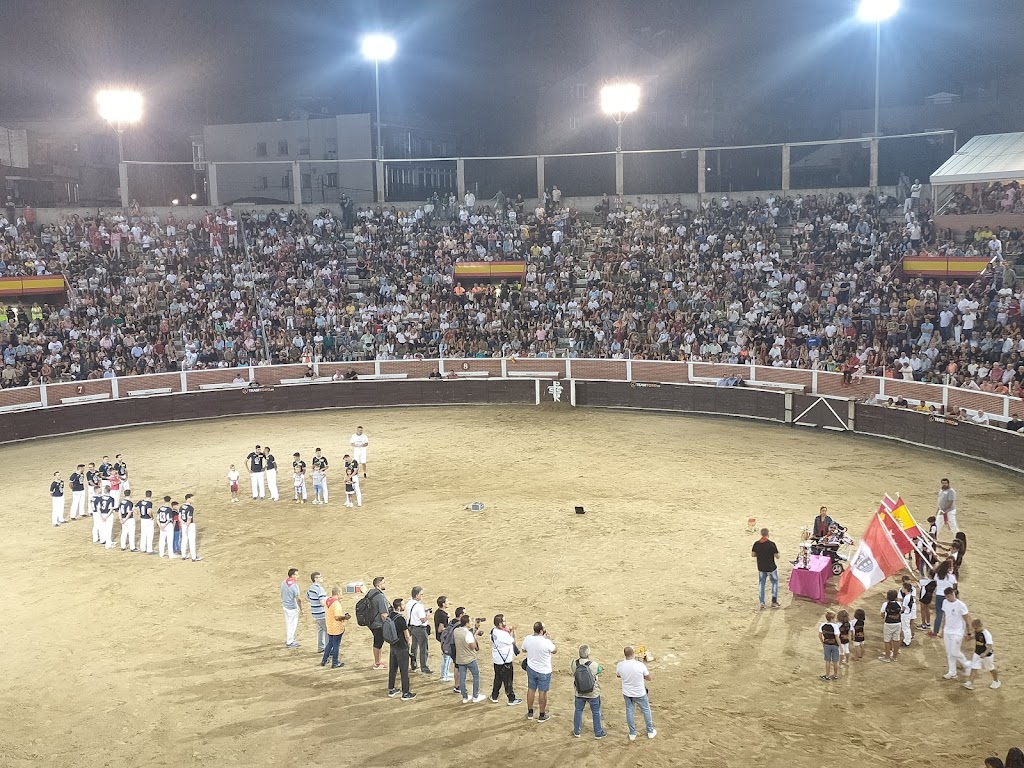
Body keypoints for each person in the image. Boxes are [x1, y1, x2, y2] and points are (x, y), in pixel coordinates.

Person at [616, 646, 655, 741]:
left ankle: (632, 733)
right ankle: (650, 731)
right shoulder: (640, 665)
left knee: (629, 711)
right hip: (639, 693)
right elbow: (649, 678)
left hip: (627, 692)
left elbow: (618, 675)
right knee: (646, 710)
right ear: (633, 654)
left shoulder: (620, 665)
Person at [521, 620, 557, 722]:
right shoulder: (546, 642)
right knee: (543, 692)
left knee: (531, 689)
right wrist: (549, 639)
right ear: (541, 631)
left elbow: (523, 650)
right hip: (544, 671)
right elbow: (554, 650)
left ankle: (530, 712)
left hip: (531, 668)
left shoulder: (528, 638)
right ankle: (542, 714)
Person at [571, 644, 606, 739]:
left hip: (579, 692)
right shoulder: (594, 664)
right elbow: (599, 670)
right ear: (588, 653)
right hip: (593, 693)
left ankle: (576, 731)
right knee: (596, 711)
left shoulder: (574, 663)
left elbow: (573, 671)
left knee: (578, 710)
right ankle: (598, 732)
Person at [386, 597, 416, 700]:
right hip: (402, 647)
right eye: (403, 605)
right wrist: (410, 642)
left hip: (393, 645)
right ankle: (405, 693)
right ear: (399, 607)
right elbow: (406, 635)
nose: (404, 606)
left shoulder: (390, 615)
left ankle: (391, 689)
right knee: (404, 671)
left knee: (392, 669)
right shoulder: (401, 619)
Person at [939, 587, 971, 680]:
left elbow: (967, 619)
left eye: (949, 596)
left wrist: (968, 632)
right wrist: (942, 629)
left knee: (954, 652)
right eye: (946, 597)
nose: (947, 599)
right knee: (949, 653)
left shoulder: (961, 605)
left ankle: (967, 664)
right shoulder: (945, 602)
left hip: (957, 632)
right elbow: (945, 616)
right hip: (947, 631)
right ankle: (952, 672)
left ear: (953, 594)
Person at [489, 614, 522, 706]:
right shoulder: (503, 635)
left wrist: (508, 630)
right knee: (508, 681)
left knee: (498, 679)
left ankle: (494, 696)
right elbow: (513, 641)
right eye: (504, 621)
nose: (505, 623)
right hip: (505, 661)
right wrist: (513, 631)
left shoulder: (493, 631)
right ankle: (511, 699)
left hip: (497, 660)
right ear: (499, 624)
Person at [963, 618, 1000, 690]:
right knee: (974, 667)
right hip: (977, 653)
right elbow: (975, 637)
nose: (975, 630)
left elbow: (990, 646)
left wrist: (985, 653)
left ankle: (996, 681)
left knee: (991, 668)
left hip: (987, 655)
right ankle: (970, 683)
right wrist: (969, 638)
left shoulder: (986, 634)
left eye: (976, 628)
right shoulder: (977, 631)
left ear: (980, 626)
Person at [320, 586, 349, 669]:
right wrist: (345, 617)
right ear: (338, 593)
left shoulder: (327, 601)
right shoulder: (336, 604)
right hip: (336, 627)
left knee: (330, 644)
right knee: (336, 645)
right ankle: (335, 662)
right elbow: (337, 617)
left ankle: (324, 660)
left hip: (329, 626)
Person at [751, 528, 780, 608]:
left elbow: (753, 554)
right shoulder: (771, 544)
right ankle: (774, 602)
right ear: (768, 534)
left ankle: (762, 602)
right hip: (771, 568)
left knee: (762, 584)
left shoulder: (756, 544)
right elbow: (777, 556)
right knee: (774, 582)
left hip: (761, 567)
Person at [407, 586, 432, 674]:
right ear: (417, 595)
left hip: (411, 627)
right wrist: (428, 615)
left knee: (414, 647)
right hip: (420, 629)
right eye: (421, 594)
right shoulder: (419, 606)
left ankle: (413, 665)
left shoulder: (409, 603)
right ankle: (424, 667)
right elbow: (423, 620)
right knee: (423, 648)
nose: (422, 596)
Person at [367, 576, 391, 670]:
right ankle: (377, 663)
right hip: (378, 623)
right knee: (378, 642)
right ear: (379, 585)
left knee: (378, 642)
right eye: (383, 583)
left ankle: (378, 661)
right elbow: (384, 614)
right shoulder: (380, 597)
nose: (385, 584)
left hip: (371, 621)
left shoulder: (371, 592)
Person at [929, 559, 958, 636]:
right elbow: (954, 587)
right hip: (948, 597)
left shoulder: (937, 575)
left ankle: (935, 631)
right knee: (947, 615)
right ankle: (944, 632)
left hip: (939, 595)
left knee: (939, 614)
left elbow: (935, 582)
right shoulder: (952, 577)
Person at [281, 568, 302, 648]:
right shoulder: (295, 585)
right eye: (296, 575)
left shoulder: (283, 583)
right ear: (292, 575)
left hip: (285, 606)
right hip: (292, 607)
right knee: (292, 625)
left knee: (288, 623)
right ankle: (290, 641)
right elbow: (298, 599)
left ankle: (289, 639)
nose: (298, 576)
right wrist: (300, 608)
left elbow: (282, 593)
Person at [307, 572, 328, 654]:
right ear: (315, 579)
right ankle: (328, 649)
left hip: (315, 613)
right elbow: (322, 603)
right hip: (321, 613)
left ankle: (321, 647)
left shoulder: (311, 588)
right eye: (320, 577)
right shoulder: (319, 589)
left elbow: (308, 597)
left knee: (321, 630)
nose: (322, 578)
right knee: (327, 631)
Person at [879, 589, 903, 662]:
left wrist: (886, 617)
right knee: (896, 640)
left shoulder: (885, 604)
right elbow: (900, 611)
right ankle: (895, 657)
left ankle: (887, 657)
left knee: (887, 640)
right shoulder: (899, 603)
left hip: (888, 624)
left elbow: (882, 614)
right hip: (898, 623)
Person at [434, 596, 454, 682]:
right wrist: (450, 629)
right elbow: (440, 629)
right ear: (443, 604)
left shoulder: (438, 612)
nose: (448, 603)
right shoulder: (442, 615)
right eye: (447, 601)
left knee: (448, 656)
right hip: (444, 638)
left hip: (442, 637)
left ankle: (446, 672)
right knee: (447, 656)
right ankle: (443, 676)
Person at [819, 611, 841, 679]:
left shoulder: (822, 625)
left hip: (826, 644)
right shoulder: (835, 626)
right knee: (835, 661)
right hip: (834, 645)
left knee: (827, 660)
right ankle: (835, 675)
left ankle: (827, 675)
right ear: (832, 619)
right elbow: (837, 637)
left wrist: (823, 643)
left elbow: (820, 635)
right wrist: (840, 645)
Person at [179, 494, 200, 562]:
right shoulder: (190, 508)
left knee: (184, 540)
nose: (193, 500)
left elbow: (179, 517)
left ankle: (183, 555)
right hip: (190, 525)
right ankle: (193, 557)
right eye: (192, 498)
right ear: (188, 499)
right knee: (192, 540)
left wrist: (184, 524)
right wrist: (187, 525)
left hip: (183, 524)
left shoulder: (181, 507)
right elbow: (189, 518)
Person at [98, 484, 116, 550]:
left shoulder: (100, 498)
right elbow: (111, 509)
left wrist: (101, 517)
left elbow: (98, 508)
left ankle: (105, 540)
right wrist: (107, 516)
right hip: (108, 515)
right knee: (109, 529)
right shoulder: (111, 499)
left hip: (102, 514)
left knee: (103, 528)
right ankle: (108, 544)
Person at [138, 490, 155, 554]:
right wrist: (152, 517)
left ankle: (142, 548)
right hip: (148, 519)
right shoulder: (149, 503)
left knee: (143, 534)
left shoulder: (140, 502)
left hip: (142, 519)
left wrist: (139, 514)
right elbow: (148, 511)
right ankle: (149, 549)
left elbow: (134, 508)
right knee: (150, 534)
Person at [900, 580, 916, 647]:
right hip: (908, 613)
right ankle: (907, 640)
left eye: (903, 588)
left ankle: (907, 641)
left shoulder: (906, 598)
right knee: (906, 628)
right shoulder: (910, 596)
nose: (902, 589)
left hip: (905, 614)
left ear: (906, 589)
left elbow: (903, 608)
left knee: (905, 628)